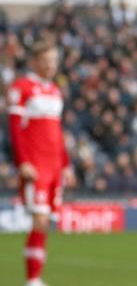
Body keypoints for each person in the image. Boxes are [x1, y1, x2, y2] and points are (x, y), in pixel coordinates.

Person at [7, 41, 75, 286]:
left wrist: (65, 164)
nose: (51, 66)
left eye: (54, 61)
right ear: (35, 61)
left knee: (46, 223)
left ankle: (36, 278)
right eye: (46, 60)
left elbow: (57, 131)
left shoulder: (55, 91)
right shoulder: (21, 88)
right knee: (40, 219)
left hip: (54, 164)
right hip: (35, 164)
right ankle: (33, 279)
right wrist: (22, 161)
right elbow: (15, 129)